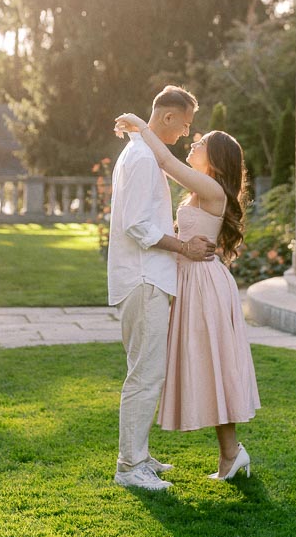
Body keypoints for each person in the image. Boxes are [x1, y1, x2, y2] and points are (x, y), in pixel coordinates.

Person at [114, 112, 260, 480]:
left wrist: (137, 123)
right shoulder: (200, 189)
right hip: (189, 279)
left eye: (200, 144)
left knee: (213, 366)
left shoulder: (212, 191)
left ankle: (231, 453)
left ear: (214, 158)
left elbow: (163, 160)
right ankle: (230, 454)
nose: (192, 143)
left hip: (203, 283)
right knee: (206, 366)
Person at [108, 85, 216, 492]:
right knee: (144, 375)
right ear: (167, 117)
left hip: (149, 277)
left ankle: (141, 455)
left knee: (149, 371)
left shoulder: (144, 154)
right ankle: (129, 466)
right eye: (185, 124)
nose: (186, 134)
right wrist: (183, 246)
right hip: (143, 278)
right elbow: (137, 225)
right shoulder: (139, 157)